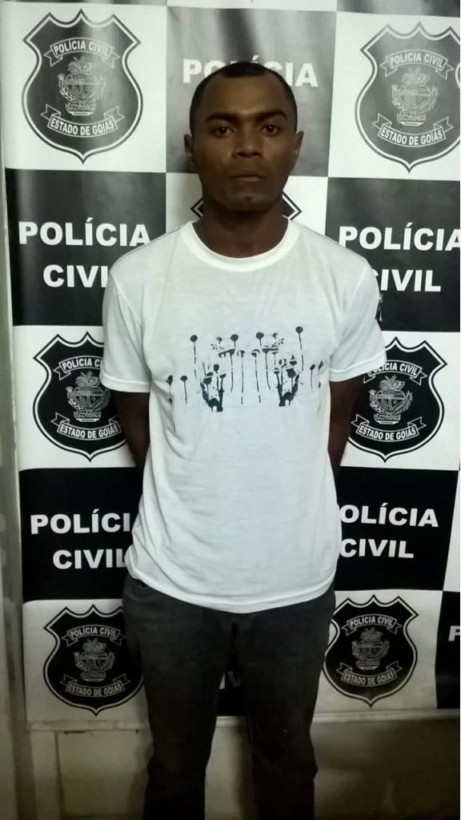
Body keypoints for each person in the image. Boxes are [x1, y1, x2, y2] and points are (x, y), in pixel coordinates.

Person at [100, 61, 386, 820]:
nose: (248, 146)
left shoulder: (343, 276)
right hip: (172, 582)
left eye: (269, 126)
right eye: (223, 128)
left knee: (288, 765)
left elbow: (336, 420)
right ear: (192, 145)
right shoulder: (137, 278)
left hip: (294, 581)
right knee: (173, 771)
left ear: (296, 144)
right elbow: (138, 420)